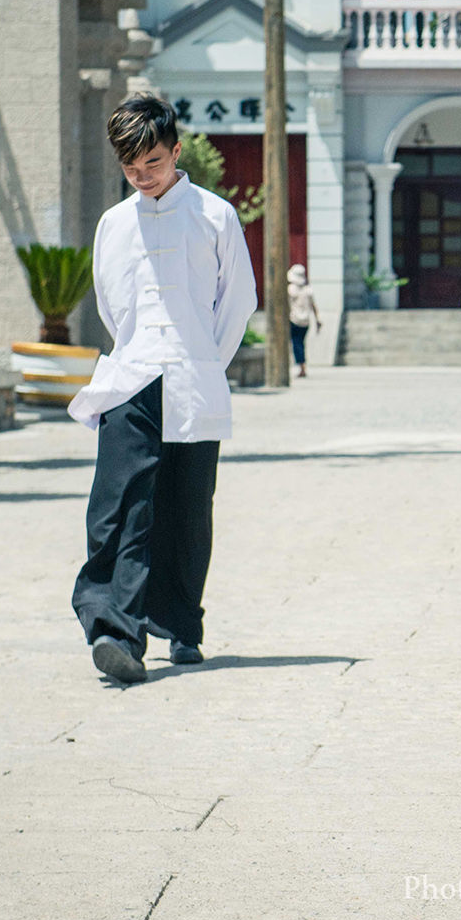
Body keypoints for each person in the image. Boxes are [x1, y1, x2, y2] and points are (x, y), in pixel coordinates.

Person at [67, 94, 256, 685]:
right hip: (131, 379)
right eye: (130, 168)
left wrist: (202, 361)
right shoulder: (113, 224)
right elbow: (109, 302)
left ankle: (181, 628)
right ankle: (115, 632)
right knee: (119, 508)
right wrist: (141, 356)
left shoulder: (216, 215)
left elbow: (238, 302)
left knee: (185, 511)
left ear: (176, 150)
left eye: (152, 163)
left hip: (195, 382)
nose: (142, 177)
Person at [287, 263, 322, 377]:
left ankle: (302, 367)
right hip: (306, 321)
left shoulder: (291, 289)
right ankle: (302, 366)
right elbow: (314, 306)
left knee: (297, 343)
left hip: (294, 319)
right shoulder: (308, 290)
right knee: (301, 343)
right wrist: (317, 320)